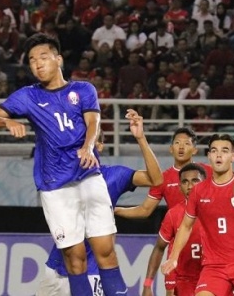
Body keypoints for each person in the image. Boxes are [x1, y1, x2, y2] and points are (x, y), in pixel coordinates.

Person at [0, 33, 127, 295]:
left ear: (58, 59)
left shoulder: (83, 90)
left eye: (43, 57)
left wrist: (88, 146)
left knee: (105, 251)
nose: (37, 64)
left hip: (89, 176)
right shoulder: (27, 96)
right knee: (75, 258)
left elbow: (93, 122)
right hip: (55, 187)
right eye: (32, 60)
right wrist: (8, 122)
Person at [38, 109, 163, 296]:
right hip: (57, 267)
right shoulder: (63, 177)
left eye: (89, 142)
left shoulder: (114, 176)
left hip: (94, 271)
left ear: (100, 146)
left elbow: (155, 179)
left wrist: (141, 138)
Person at [161, 134, 234, 296]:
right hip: (213, 267)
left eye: (224, 151)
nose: (218, 155)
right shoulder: (199, 191)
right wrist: (174, 257)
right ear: (208, 156)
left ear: (233, 156)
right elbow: (186, 225)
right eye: (214, 150)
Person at [115, 127, 211, 295]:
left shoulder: (207, 172)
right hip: (178, 253)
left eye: (186, 143)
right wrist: (115, 211)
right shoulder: (162, 179)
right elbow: (145, 210)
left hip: (207, 248)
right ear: (171, 148)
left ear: (194, 149)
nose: (181, 147)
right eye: (177, 143)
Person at [142, 163, 207, 296]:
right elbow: (159, 248)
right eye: (185, 182)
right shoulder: (173, 214)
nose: (190, 186)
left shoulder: (217, 209)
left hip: (212, 275)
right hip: (184, 279)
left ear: (205, 183)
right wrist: (148, 284)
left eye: (195, 181)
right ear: (180, 187)